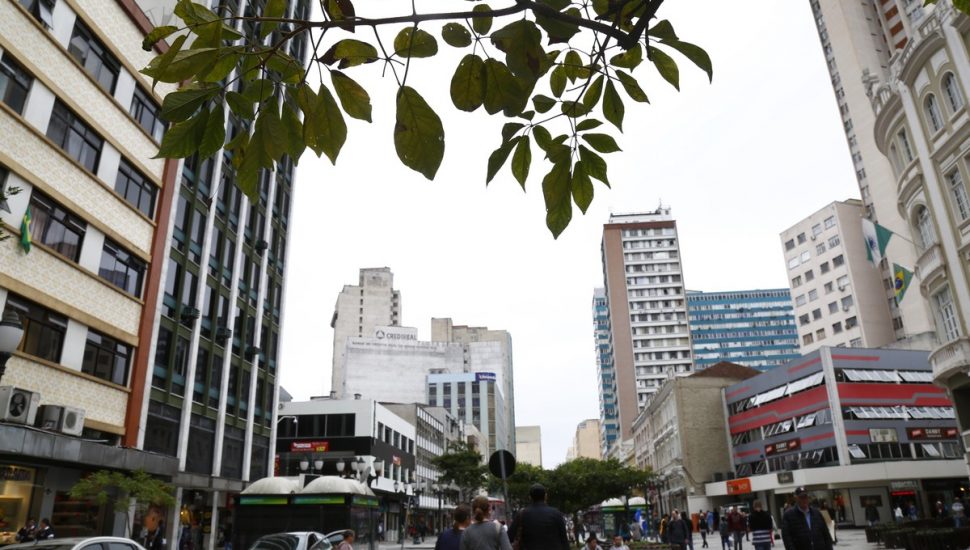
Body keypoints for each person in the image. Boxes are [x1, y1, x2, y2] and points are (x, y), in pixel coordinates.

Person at [507, 484, 569, 550]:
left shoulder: (522, 514)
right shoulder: (556, 513)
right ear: (545, 496)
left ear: (530, 497)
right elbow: (564, 540)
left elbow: (509, 537)